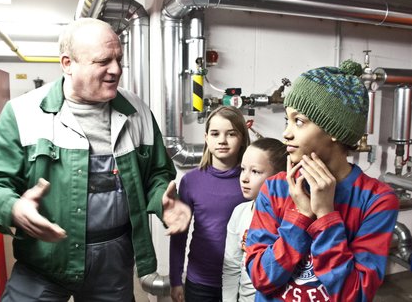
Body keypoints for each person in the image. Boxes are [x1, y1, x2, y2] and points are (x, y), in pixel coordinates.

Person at [0, 17, 191, 301]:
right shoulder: (23, 113)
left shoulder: (137, 111)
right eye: (103, 61)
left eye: (118, 59)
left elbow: (157, 173)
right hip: (44, 260)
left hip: (113, 262)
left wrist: (162, 198)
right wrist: (13, 208)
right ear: (67, 63)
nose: (115, 70)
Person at [245, 60, 399, 301]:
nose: (286, 133)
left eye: (299, 121)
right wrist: (300, 215)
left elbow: (355, 294)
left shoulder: (376, 200)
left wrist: (326, 216)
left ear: (335, 130)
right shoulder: (275, 188)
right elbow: (260, 277)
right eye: (288, 120)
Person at [169, 106, 251, 302]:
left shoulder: (251, 181)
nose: (222, 140)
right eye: (215, 134)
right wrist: (175, 279)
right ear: (206, 138)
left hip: (243, 280)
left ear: (242, 139)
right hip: (201, 282)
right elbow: (179, 234)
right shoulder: (191, 181)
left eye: (231, 134)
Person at [222, 138, 287, 302]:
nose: (244, 178)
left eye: (255, 172)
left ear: (279, 177)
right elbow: (231, 267)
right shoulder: (239, 213)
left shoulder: (289, 220)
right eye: (243, 169)